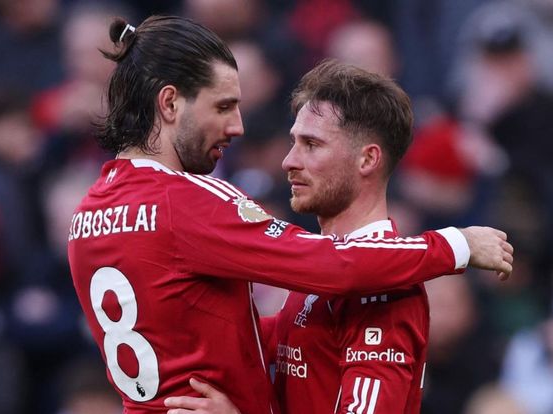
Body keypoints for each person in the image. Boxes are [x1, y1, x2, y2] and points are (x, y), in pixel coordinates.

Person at [67, 15, 513, 414]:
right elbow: (333, 265)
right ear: (169, 104)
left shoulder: (86, 215)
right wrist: (455, 244)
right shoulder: (187, 203)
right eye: (223, 106)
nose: (239, 128)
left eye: (311, 144)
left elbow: (217, 330)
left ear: (368, 159)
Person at [164, 61, 512, 414]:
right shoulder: (320, 270)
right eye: (293, 142)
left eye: (311, 144)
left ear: (368, 159)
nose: (289, 161)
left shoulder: (383, 291)